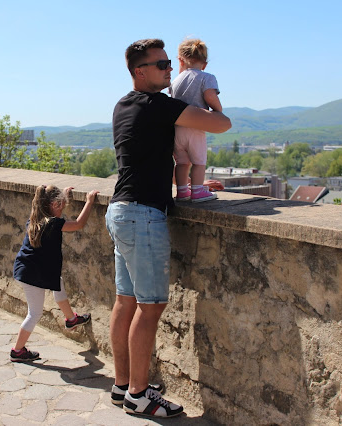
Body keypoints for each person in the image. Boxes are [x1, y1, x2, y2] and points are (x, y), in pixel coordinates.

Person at [105, 38, 231, 417]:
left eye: (168, 63)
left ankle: (123, 385)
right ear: (140, 71)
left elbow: (146, 156)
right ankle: (139, 395)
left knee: (126, 302)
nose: (170, 70)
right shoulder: (158, 105)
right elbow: (222, 124)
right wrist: (206, 89)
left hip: (121, 210)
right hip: (144, 215)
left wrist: (191, 184)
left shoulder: (123, 105)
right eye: (161, 65)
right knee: (151, 306)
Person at [11, 185, 99, 362]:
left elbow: (55, 213)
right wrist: (89, 202)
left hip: (28, 269)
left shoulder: (36, 219)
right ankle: (17, 351)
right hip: (33, 274)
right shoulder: (53, 224)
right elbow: (79, 224)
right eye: (61, 204)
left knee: (57, 282)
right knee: (34, 313)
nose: (63, 207)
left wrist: (63, 196)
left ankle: (71, 319)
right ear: (53, 204)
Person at [170, 38, 223, 202]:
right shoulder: (206, 78)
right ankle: (198, 191)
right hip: (195, 127)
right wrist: (218, 111)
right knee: (199, 161)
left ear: (181, 60)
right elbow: (210, 96)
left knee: (181, 163)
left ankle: (182, 191)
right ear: (204, 64)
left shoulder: (175, 81)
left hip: (177, 129)